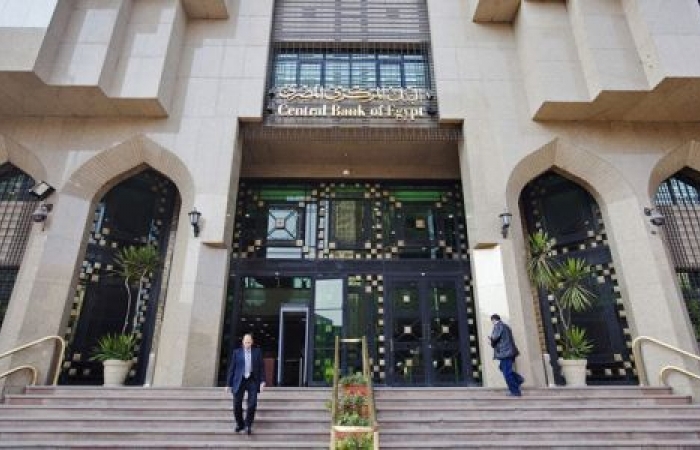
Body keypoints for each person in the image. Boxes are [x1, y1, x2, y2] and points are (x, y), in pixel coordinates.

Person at [226, 333, 266, 434]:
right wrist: (228, 384)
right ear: (243, 342)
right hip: (239, 380)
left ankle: (248, 425)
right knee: (237, 405)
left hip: (252, 380)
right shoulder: (236, 352)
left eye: (249, 342)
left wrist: (262, 381)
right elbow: (232, 368)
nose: (247, 344)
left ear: (252, 342)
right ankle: (240, 424)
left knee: (252, 404)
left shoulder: (257, 352)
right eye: (245, 342)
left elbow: (261, 367)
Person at [488, 314, 524, 397]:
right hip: (510, 352)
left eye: (492, 321)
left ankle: (515, 391)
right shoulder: (506, 326)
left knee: (507, 373)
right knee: (503, 368)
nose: (492, 323)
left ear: (494, 320)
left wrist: (491, 340)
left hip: (505, 353)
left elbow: (495, 337)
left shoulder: (498, 326)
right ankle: (519, 379)